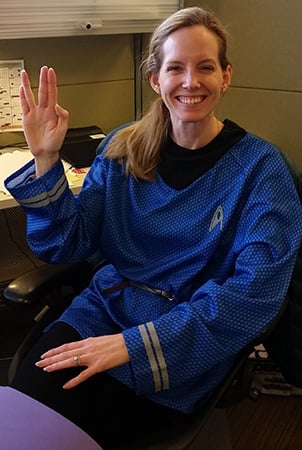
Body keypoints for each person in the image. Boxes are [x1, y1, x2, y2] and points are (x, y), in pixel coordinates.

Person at [4, 5, 302, 449]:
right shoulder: (121, 149)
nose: (190, 81)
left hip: (183, 339)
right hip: (101, 314)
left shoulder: (261, 171)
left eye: (205, 67)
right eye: (175, 67)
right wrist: (46, 159)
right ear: (154, 79)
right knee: (21, 424)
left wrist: (134, 346)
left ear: (226, 76)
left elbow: (253, 294)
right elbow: (68, 243)